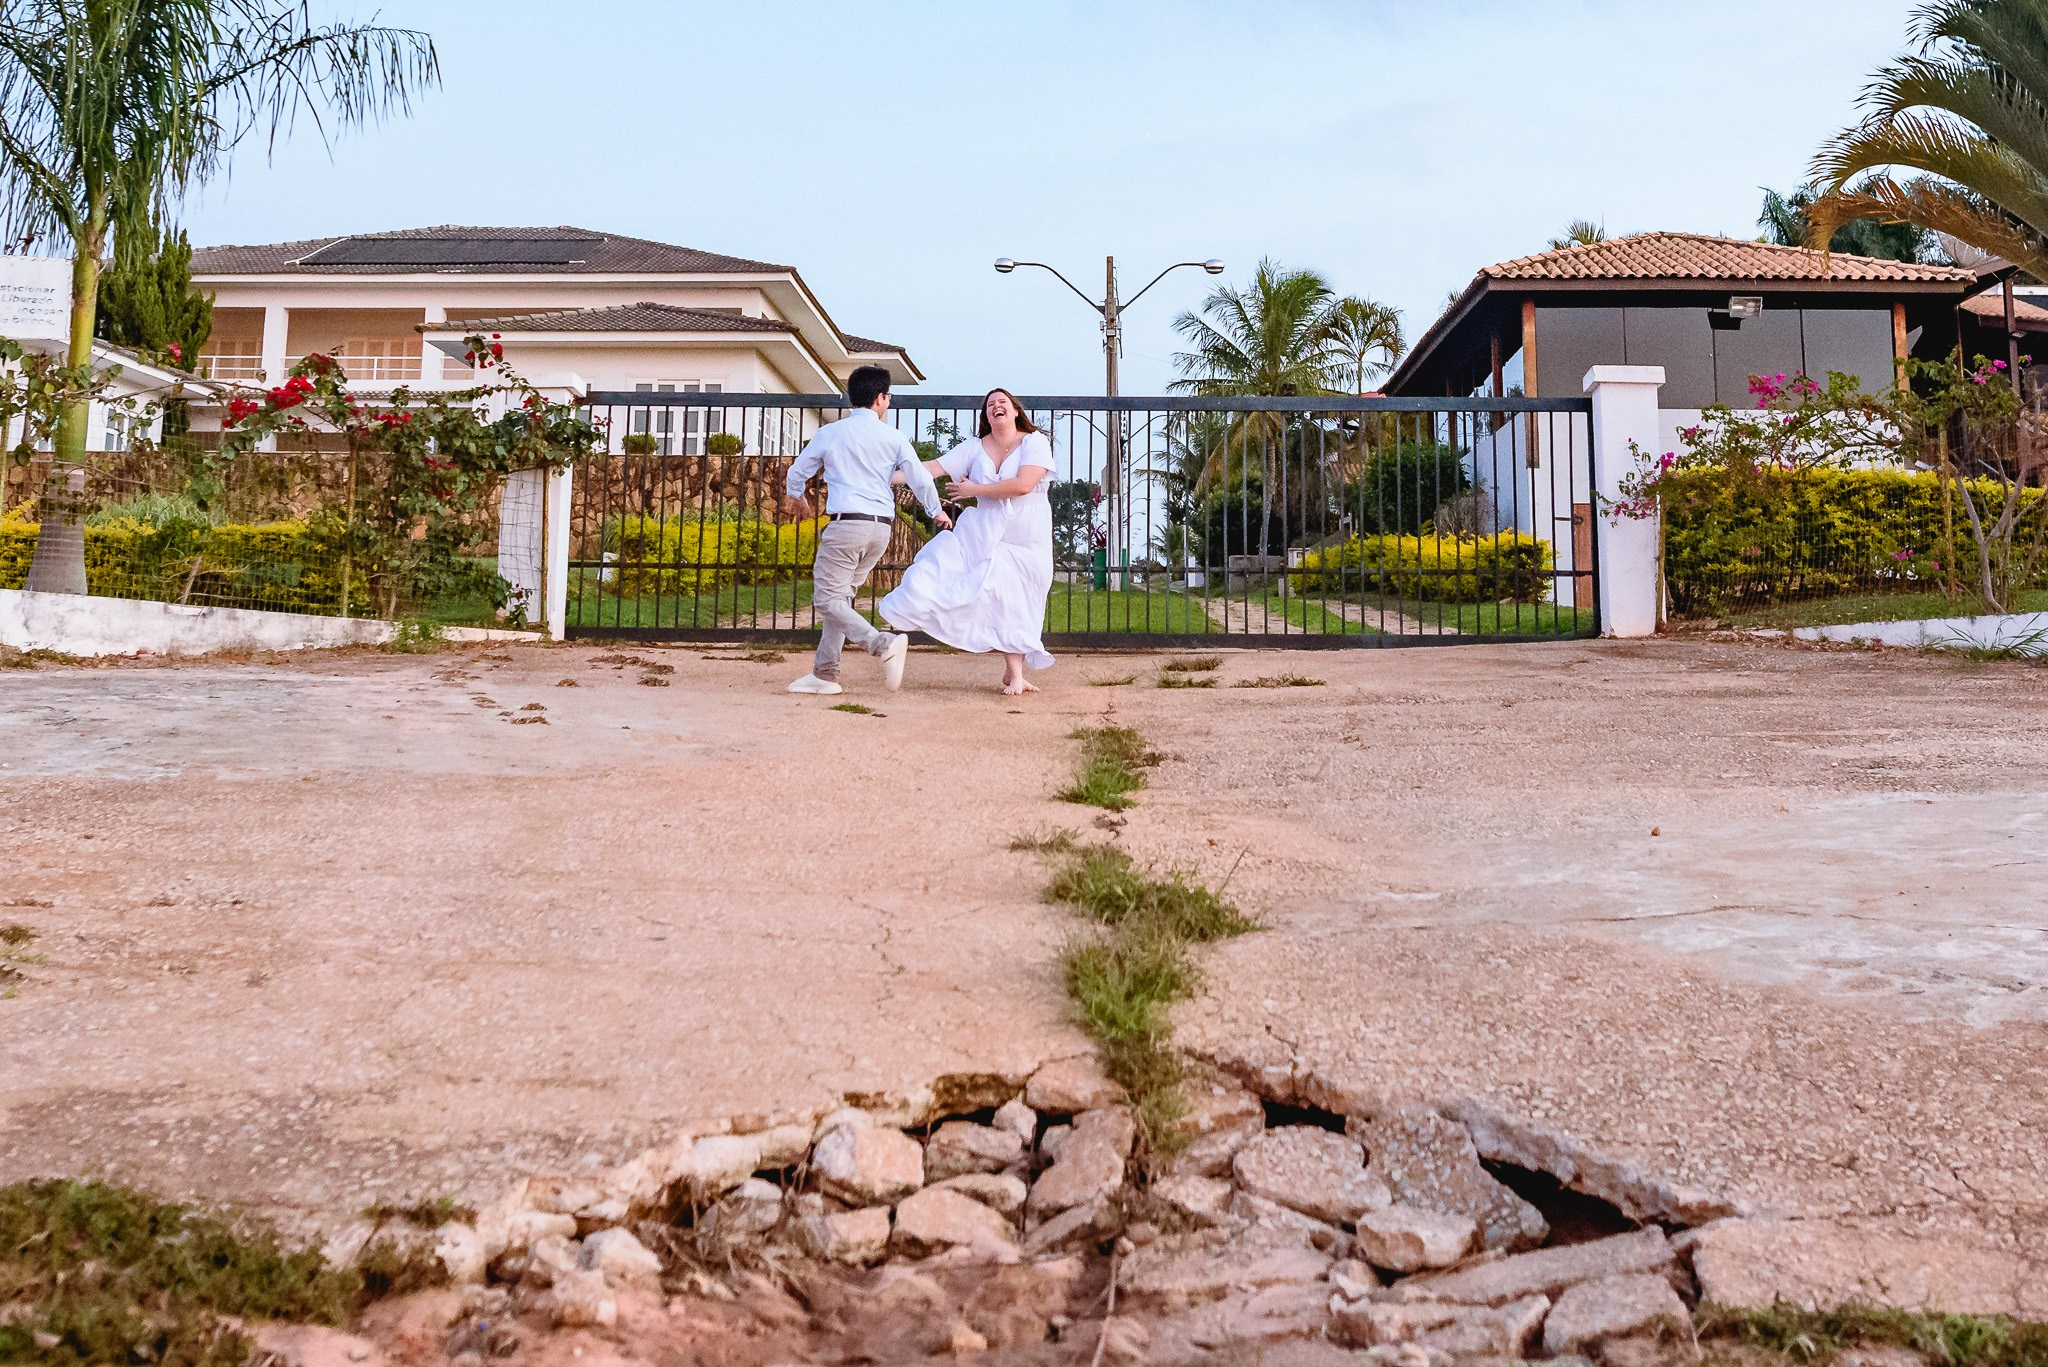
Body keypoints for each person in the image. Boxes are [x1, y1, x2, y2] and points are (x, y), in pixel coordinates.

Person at [781, 365, 949, 696]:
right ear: (881, 398)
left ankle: (881, 643)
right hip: (881, 529)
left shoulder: (831, 433)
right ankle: (825, 674)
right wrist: (936, 510)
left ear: (852, 397)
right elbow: (920, 477)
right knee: (839, 599)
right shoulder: (894, 436)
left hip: (847, 525)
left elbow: (797, 472)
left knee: (827, 598)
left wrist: (798, 498)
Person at [881, 387, 1056, 695]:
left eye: (1003, 402)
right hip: (988, 531)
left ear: (1015, 411)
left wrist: (974, 490)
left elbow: (1024, 485)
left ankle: (1012, 671)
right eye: (990, 404)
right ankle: (1015, 673)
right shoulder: (975, 448)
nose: (996, 406)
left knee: (1022, 598)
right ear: (986, 416)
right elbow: (932, 468)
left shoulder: (1035, 442)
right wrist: (881, 475)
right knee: (998, 593)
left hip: (1029, 533)